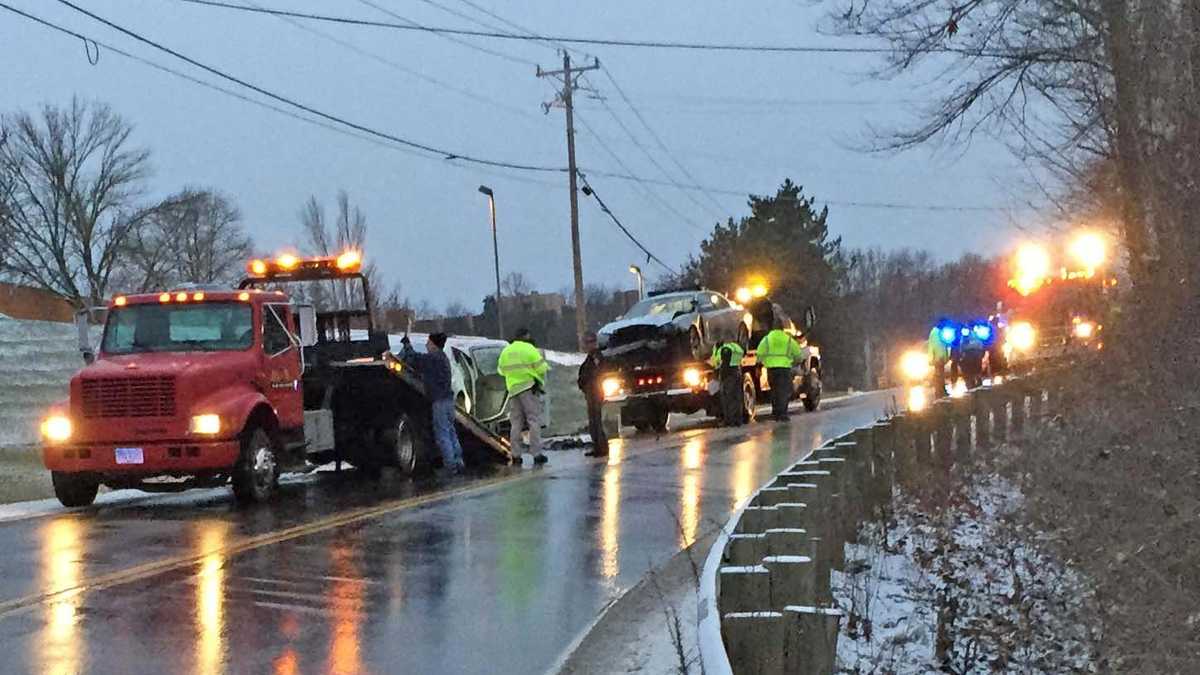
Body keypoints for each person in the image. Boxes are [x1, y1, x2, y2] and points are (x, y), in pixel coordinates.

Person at [400, 332, 465, 475]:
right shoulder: (443, 358)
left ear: (433, 344)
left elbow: (415, 360)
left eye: (428, 343)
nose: (426, 345)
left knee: (442, 434)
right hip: (448, 401)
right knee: (451, 432)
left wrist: (407, 345)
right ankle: (458, 461)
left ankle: (450, 466)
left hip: (440, 402)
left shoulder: (433, 359)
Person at [498, 328, 550, 465]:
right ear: (525, 337)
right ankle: (536, 453)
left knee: (516, 423)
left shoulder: (506, 351)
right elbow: (542, 368)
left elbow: (501, 370)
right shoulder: (529, 349)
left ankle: (516, 455)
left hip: (513, 390)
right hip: (528, 387)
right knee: (533, 420)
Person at [756, 320, 802, 422]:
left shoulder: (767, 339)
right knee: (784, 392)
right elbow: (798, 354)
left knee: (774, 391)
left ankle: (776, 412)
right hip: (784, 369)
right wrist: (795, 362)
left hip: (771, 370)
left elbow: (760, 353)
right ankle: (782, 414)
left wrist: (758, 366)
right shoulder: (788, 339)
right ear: (782, 328)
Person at [577, 332, 608, 457]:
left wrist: (587, 384)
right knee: (593, 421)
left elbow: (595, 373)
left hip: (595, 391)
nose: (586, 346)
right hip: (591, 391)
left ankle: (601, 448)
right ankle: (598, 446)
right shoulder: (591, 357)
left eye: (587, 343)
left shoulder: (596, 357)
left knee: (595, 421)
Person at [710, 340, 745, 426]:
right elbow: (743, 353)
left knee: (727, 398)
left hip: (727, 374)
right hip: (737, 372)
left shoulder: (723, 349)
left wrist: (715, 351)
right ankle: (738, 420)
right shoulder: (735, 347)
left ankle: (729, 420)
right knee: (737, 397)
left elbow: (717, 362)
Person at [927, 323, 952, 397]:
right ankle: (939, 391)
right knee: (939, 375)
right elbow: (936, 347)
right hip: (938, 358)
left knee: (940, 375)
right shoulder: (936, 333)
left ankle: (941, 390)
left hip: (939, 358)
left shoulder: (937, 332)